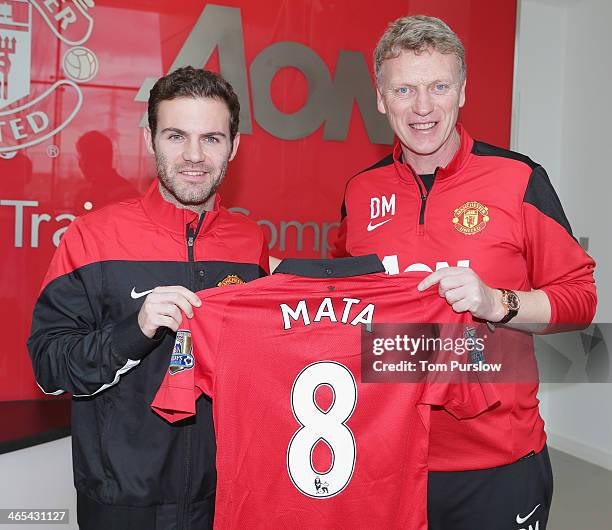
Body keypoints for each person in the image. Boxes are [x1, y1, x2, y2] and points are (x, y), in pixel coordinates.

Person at [332, 15, 597, 530]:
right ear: (382, 98)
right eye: (404, 89)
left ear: (463, 91)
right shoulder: (358, 192)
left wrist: (497, 303)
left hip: (498, 463)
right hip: (387, 458)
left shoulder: (519, 178)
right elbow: (348, 306)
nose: (423, 107)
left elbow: (581, 300)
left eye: (438, 86)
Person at [28, 67, 269, 530]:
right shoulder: (91, 237)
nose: (194, 156)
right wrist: (133, 331)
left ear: (234, 147)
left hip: (225, 497)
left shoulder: (249, 241)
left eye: (212, 139)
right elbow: (48, 367)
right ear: (149, 139)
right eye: (177, 136)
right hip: (121, 501)